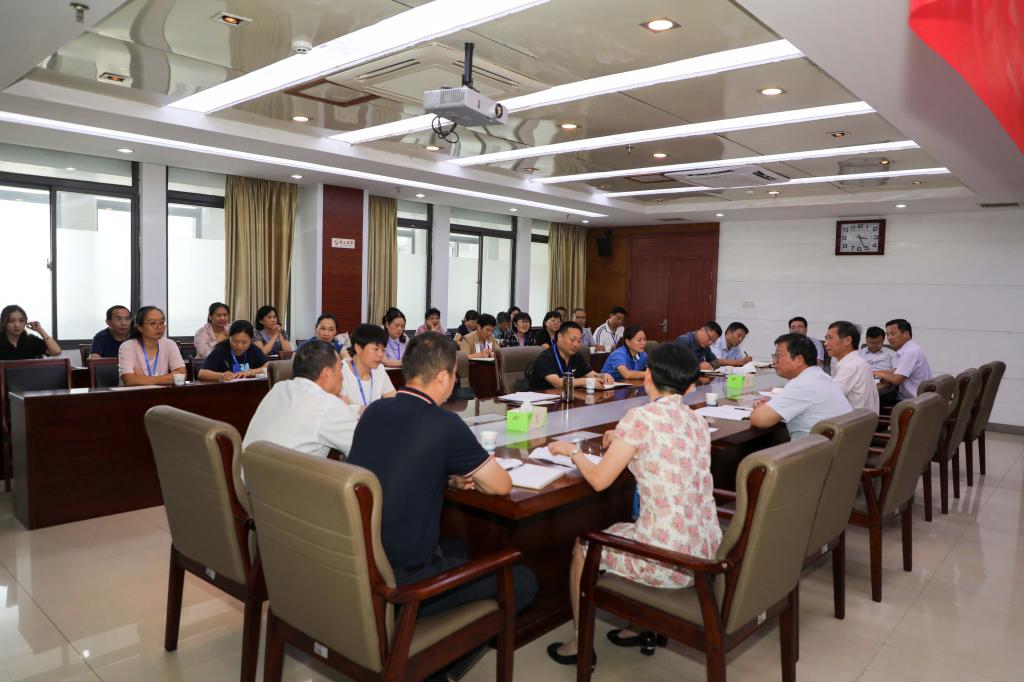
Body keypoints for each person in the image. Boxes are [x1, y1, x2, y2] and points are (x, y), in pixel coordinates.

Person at [347, 331, 536, 635]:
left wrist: (447, 478)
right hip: (404, 579)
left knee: (457, 547)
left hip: (362, 559)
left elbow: (401, 461)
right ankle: (429, 651)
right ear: (443, 376)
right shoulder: (444, 423)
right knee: (523, 580)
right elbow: (501, 485)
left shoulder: (373, 412)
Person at [545, 343, 721, 665]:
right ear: (689, 386)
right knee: (631, 524)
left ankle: (580, 643)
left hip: (668, 558)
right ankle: (640, 626)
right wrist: (620, 438)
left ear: (648, 376)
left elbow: (599, 481)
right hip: (704, 549)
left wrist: (573, 452)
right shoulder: (697, 420)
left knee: (583, 546)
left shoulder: (640, 417)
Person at [242, 339, 357, 458]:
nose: (342, 376)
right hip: (285, 470)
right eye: (340, 368)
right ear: (326, 372)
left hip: (247, 468)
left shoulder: (278, 388)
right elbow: (362, 449)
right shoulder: (328, 404)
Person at [750, 334, 852, 439]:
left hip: (812, 448)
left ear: (799, 360)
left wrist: (761, 409)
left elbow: (759, 419)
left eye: (779, 355)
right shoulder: (821, 376)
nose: (774, 361)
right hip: (834, 445)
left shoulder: (803, 384)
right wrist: (774, 405)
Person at [528, 321, 614, 390]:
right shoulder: (546, 357)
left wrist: (603, 376)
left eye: (579, 341)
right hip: (543, 401)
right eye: (572, 339)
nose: (576, 344)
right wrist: (587, 381)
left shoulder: (576, 356)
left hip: (568, 398)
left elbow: (591, 374)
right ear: (560, 337)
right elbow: (557, 383)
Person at [118, 306, 186, 386]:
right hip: (134, 392)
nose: (159, 327)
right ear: (140, 327)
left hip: (161, 392)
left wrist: (141, 378)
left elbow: (182, 375)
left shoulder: (169, 344)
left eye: (162, 322)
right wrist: (170, 378)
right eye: (153, 323)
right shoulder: (128, 346)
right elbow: (129, 380)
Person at [824, 320, 879, 413]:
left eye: (830, 338)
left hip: (853, 421)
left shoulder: (851, 366)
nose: (825, 343)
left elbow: (827, 399)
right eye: (826, 338)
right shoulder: (855, 362)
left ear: (847, 340)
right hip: (859, 418)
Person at [873, 318, 933, 402]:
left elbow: (896, 379)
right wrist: (875, 372)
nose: (889, 338)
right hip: (915, 399)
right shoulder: (910, 348)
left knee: (872, 399)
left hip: (912, 402)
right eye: (887, 335)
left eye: (892, 334)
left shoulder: (910, 352)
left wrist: (877, 373)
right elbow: (898, 371)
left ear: (906, 334)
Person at [341, 323, 396, 410]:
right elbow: (343, 410)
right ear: (358, 348)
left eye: (383, 350)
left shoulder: (379, 369)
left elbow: (394, 401)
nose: (380, 355)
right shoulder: (340, 371)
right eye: (376, 349)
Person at [198, 320, 268, 382]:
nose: (239, 345)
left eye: (244, 342)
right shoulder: (220, 350)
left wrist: (252, 372)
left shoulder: (253, 349)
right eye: (235, 341)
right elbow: (202, 373)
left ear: (251, 340)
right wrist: (221, 375)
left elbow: (268, 365)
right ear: (229, 337)